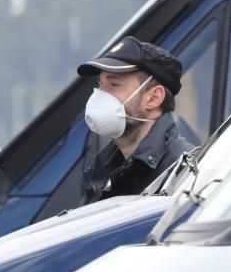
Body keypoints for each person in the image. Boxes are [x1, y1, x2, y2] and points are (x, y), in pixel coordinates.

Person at [77, 36, 194, 203]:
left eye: (114, 84)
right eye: (100, 83)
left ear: (153, 98)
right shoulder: (103, 167)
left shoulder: (181, 170)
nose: (100, 94)